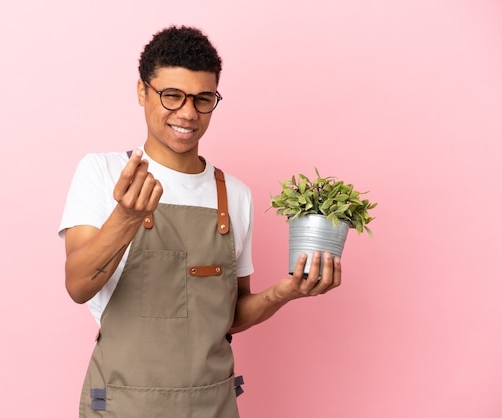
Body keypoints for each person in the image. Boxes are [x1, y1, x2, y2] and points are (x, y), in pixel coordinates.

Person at [58, 25, 342, 418]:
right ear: (142, 91)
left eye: (203, 98)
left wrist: (284, 292)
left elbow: (228, 316)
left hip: (213, 406)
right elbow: (77, 285)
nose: (188, 113)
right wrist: (126, 218)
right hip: (124, 405)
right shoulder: (103, 173)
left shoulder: (235, 195)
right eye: (172, 96)